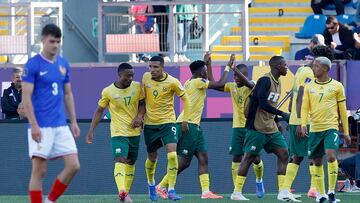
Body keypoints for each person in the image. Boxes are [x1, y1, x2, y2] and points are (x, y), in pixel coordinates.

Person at [156, 53, 235, 200]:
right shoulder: (197, 82)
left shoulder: (194, 80)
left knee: (203, 156)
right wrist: (228, 67)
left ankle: (206, 192)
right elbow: (219, 83)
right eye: (205, 70)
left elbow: (212, 81)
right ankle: (161, 186)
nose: (206, 72)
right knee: (184, 161)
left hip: (195, 125)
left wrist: (209, 65)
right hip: (187, 124)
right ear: (200, 72)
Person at [22, 24, 80, 203]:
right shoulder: (33, 65)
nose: (55, 45)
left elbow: (68, 93)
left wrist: (74, 121)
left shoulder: (63, 63)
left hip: (60, 124)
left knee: (73, 166)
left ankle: (50, 200)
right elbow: (26, 96)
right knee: (40, 171)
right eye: (51, 41)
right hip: (41, 125)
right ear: (43, 41)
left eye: (58, 41)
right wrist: (34, 125)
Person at [231, 56, 293, 201]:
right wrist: (283, 114)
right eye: (285, 65)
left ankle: (283, 191)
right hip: (256, 127)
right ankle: (237, 192)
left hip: (270, 127)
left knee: (284, 154)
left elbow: (271, 106)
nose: (287, 68)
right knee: (249, 157)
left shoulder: (278, 82)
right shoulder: (265, 80)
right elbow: (262, 104)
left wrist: (277, 120)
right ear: (277, 66)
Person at [86, 63, 145, 202]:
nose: (130, 78)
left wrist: (139, 116)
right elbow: (99, 111)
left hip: (135, 132)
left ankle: (125, 195)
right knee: (120, 159)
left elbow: (142, 104)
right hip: (118, 132)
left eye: (132, 75)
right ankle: (122, 191)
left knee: (131, 162)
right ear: (119, 75)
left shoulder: (137, 87)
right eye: (127, 76)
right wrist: (91, 130)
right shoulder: (108, 91)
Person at [282, 45, 335, 200]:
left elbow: (293, 94)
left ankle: (311, 189)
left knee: (303, 155)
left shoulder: (300, 69)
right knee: (311, 156)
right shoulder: (309, 71)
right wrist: (300, 122)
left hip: (299, 119)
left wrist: (293, 116)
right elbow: (300, 97)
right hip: (304, 121)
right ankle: (292, 189)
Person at [300, 56, 351, 203]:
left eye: (316, 66)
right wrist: (303, 124)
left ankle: (331, 192)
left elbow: (343, 110)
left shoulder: (337, 86)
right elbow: (304, 108)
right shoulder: (309, 86)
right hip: (315, 128)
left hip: (331, 128)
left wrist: (346, 132)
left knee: (330, 156)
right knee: (316, 161)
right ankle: (321, 194)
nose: (313, 68)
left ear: (325, 69)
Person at [215, 59, 265, 198]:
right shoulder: (232, 86)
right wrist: (224, 67)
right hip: (237, 127)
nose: (236, 78)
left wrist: (234, 68)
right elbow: (216, 85)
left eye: (238, 76)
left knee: (255, 158)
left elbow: (249, 84)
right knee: (236, 157)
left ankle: (259, 180)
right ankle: (237, 190)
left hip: (251, 127)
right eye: (234, 76)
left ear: (245, 75)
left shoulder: (253, 84)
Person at [142, 56, 190, 201]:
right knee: (152, 157)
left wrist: (185, 120)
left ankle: (171, 189)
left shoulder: (173, 82)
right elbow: (141, 99)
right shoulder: (145, 78)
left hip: (168, 123)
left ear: (162, 67)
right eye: (150, 67)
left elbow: (186, 99)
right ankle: (151, 185)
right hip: (150, 125)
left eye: (156, 67)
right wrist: (139, 117)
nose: (152, 70)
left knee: (172, 155)